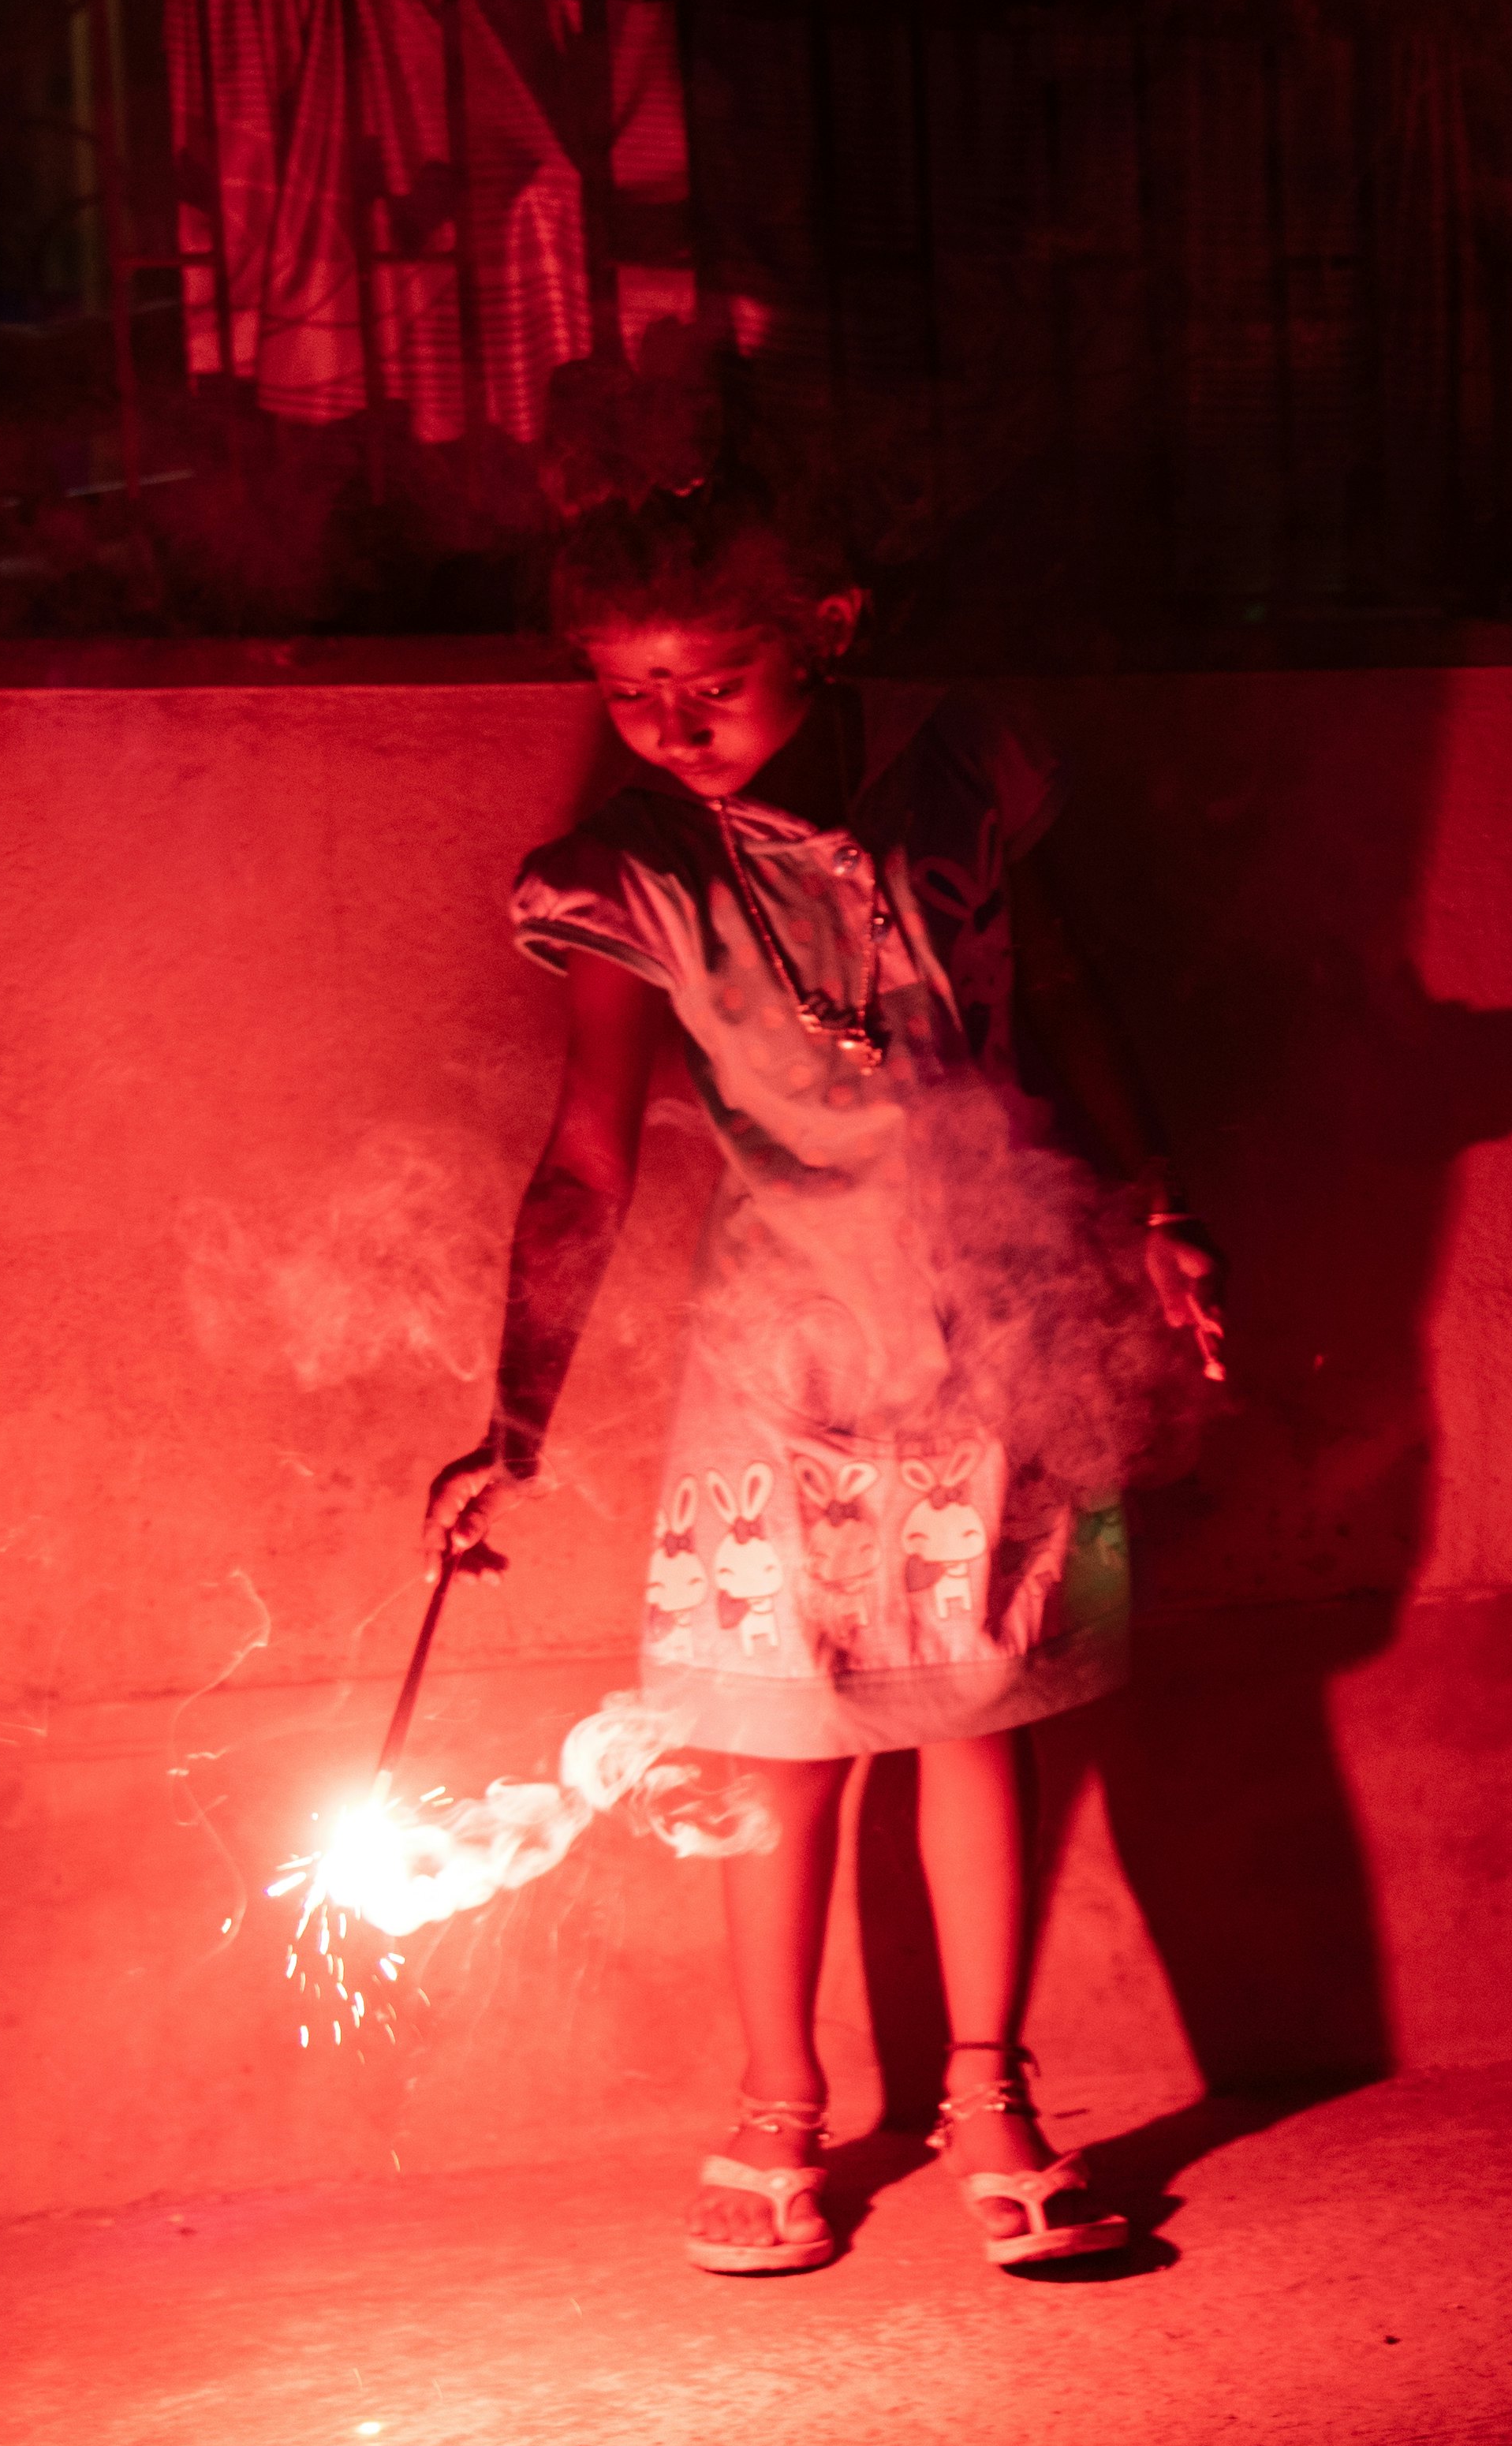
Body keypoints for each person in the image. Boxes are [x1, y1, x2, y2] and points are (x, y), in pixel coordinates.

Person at [424, 477, 1223, 2279]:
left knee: (976, 1713)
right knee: (774, 1742)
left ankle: (992, 2103)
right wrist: (513, 1419)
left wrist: (1159, 1206)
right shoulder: (633, 872)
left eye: (712, 677)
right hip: (782, 1350)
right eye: (631, 691)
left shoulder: (960, 787)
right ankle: (775, 2109)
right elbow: (585, 1162)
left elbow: (1076, 1006)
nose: (673, 722)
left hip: (993, 1318)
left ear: (827, 634)